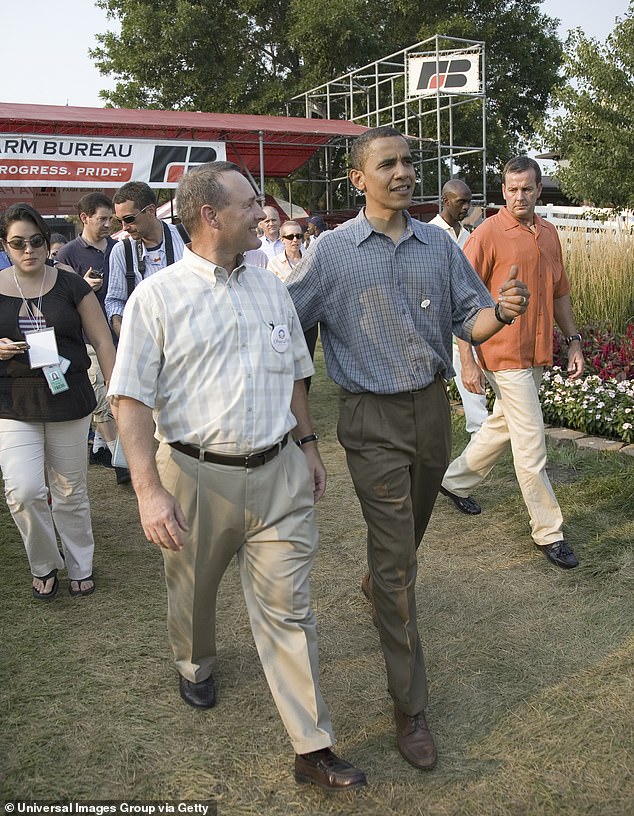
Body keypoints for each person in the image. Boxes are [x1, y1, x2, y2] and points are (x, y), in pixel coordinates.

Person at [108, 161, 367, 792]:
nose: (265, 215)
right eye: (252, 205)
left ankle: (312, 747)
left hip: (279, 473)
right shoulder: (158, 298)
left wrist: (306, 445)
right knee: (193, 593)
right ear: (210, 216)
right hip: (197, 477)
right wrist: (149, 490)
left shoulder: (270, 287)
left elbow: (295, 373)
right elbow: (131, 400)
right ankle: (194, 664)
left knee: (289, 612)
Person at [286, 126, 529, 771]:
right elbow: (286, 333)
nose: (402, 173)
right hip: (369, 422)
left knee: (406, 538)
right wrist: (302, 430)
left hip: (430, 413)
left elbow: (469, 322)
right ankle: (410, 705)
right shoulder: (331, 254)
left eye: (408, 162)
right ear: (357, 178)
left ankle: (379, 578)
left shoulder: (438, 246)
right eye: (386, 164)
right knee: (399, 566)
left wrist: (501, 313)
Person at [440, 156, 584, 569]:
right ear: (503, 191)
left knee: (503, 424)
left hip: (535, 352)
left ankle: (453, 481)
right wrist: (467, 359)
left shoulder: (550, 234)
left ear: (539, 190)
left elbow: (560, 294)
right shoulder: (486, 234)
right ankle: (549, 531)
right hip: (501, 354)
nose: (519, 195)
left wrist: (573, 342)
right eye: (512, 188)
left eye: (527, 188)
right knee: (531, 442)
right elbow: (460, 300)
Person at [0, 203, 116, 599]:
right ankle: (45, 562)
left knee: (70, 491)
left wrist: (117, 392)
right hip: (12, 402)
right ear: (6, 245)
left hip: (68, 398)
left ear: (47, 244)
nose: (27, 250)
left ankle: (81, 564)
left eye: (35, 241)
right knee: (24, 490)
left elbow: (102, 340)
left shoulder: (71, 285)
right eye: (17, 243)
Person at [55, 193, 130, 484]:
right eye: (103, 218)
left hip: (120, 337)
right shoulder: (67, 255)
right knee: (103, 399)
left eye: (111, 218)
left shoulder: (120, 248)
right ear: (84, 218)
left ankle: (107, 451)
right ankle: (121, 462)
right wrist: (81, 286)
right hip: (87, 339)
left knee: (122, 396)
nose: (109, 224)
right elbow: (57, 301)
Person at [430, 180, 488, 436]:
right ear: (445, 200)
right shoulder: (428, 233)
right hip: (434, 316)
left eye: (469, 201)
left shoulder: (469, 236)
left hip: (466, 314)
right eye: (460, 201)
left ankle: (479, 429)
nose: (467, 207)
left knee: (470, 367)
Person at [105, 181, 185, 336]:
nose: (124, 227)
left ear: (151, 211)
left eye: (129, 219)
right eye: (119, 220)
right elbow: (115, 301)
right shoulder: (122, 251)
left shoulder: (186, 238)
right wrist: (124, 333)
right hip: (145, 339)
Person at [268, 221, 317, 390]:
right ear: (282, 240)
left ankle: (305, 398)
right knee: (286, 362)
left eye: (299, 236)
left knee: (307, 363)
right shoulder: (273, 264)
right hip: (284, 321)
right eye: (290, 236)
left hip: (308, 321)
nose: (295, 240)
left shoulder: (311, 260)